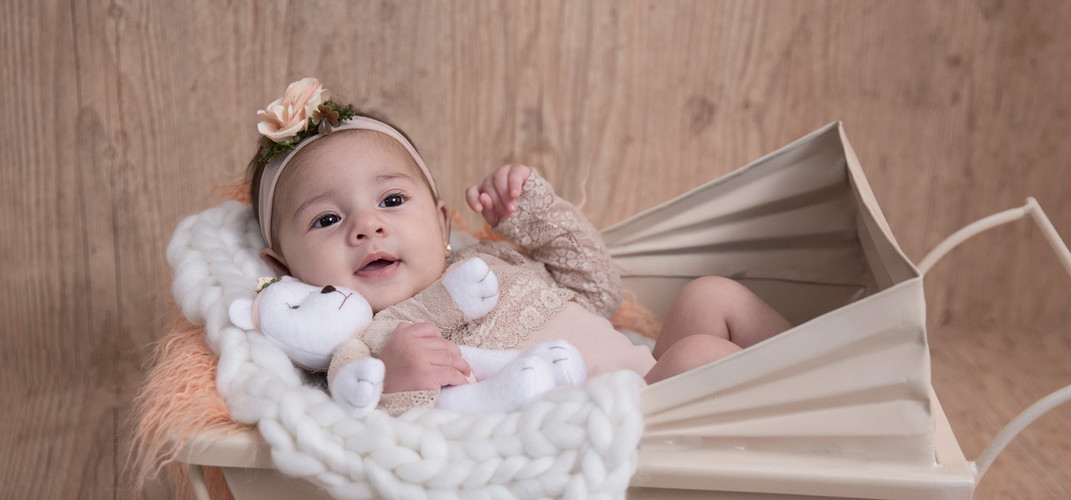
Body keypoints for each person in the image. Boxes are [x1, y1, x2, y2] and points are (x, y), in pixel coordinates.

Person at [247, 78, 791, 413]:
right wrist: (399, 382)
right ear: (283, 269)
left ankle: (830, 381)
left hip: (652, 374)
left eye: (391, 200)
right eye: (327, 218)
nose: (367, 227)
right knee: (699, 356)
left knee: (710, 295)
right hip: (620, 422)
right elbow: (384, 435)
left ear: (442, 224)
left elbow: (599, 292)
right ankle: (807, 424)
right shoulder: (367, 346)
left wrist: (532, 215)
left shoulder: (487, 262)